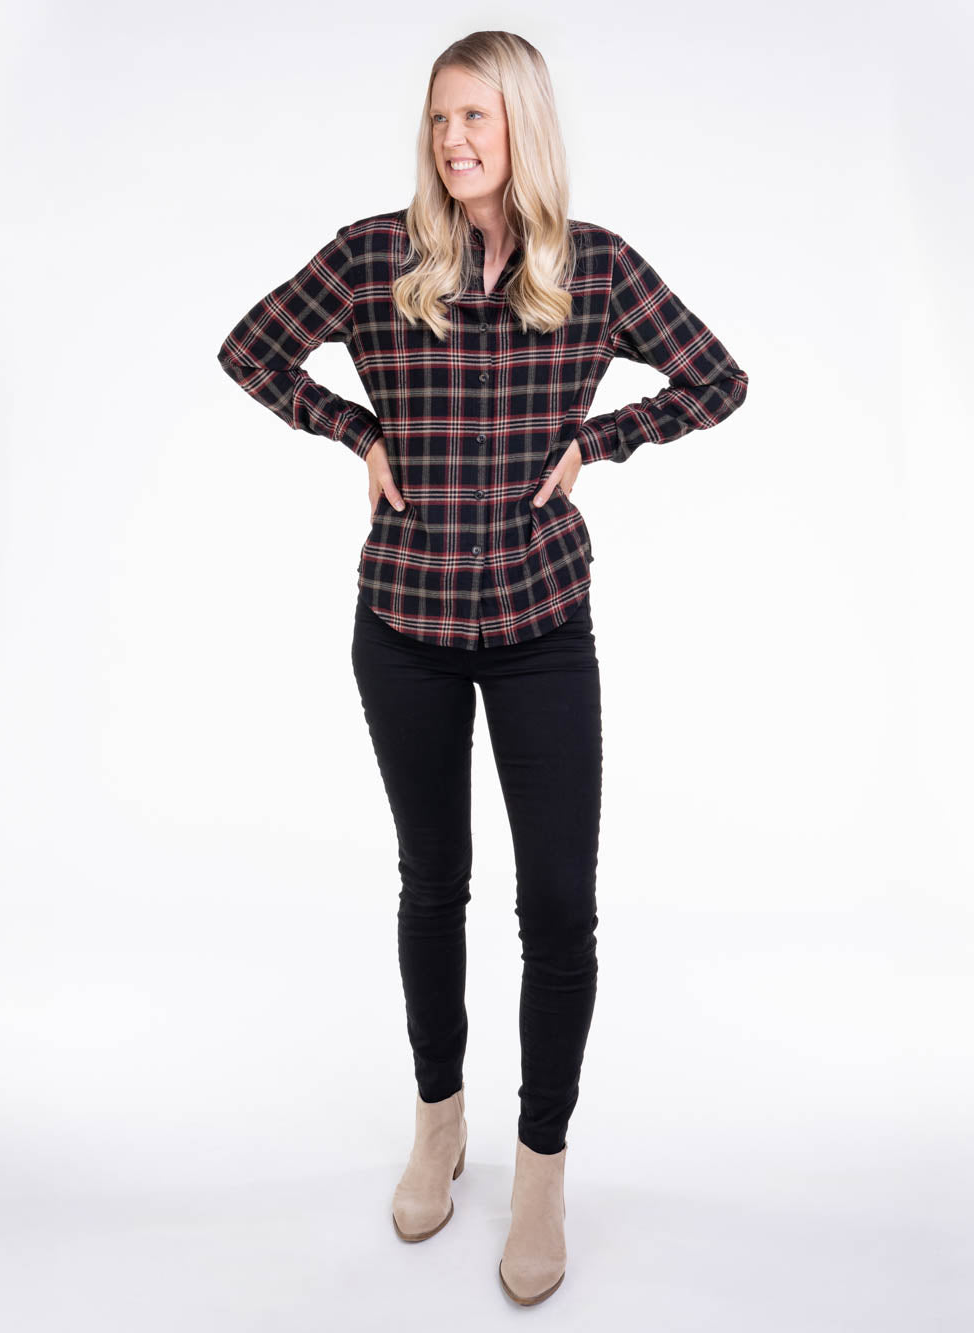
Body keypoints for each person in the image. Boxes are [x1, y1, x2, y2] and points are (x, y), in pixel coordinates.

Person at [217, 29, 749, 1306]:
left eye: (477, 117)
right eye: (440, 118)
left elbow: (717, 379)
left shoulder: (595, 267)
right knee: (433, 883)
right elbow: (249, 350)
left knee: (557, 906)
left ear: (523, 125)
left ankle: (542, 1167)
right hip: (401, 624)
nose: (455, 140)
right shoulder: (373, 257)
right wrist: (356, 432)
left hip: (540, 624)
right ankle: (438, 1123)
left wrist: (598, 442)